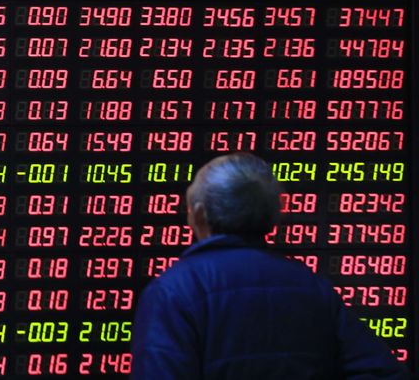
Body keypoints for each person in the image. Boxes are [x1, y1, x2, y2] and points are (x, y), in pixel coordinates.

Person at [132, 153, 411, 379]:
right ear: (272, 218)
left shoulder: (173, 291)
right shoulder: (311, 286)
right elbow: (383, 372)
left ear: (199, 214)